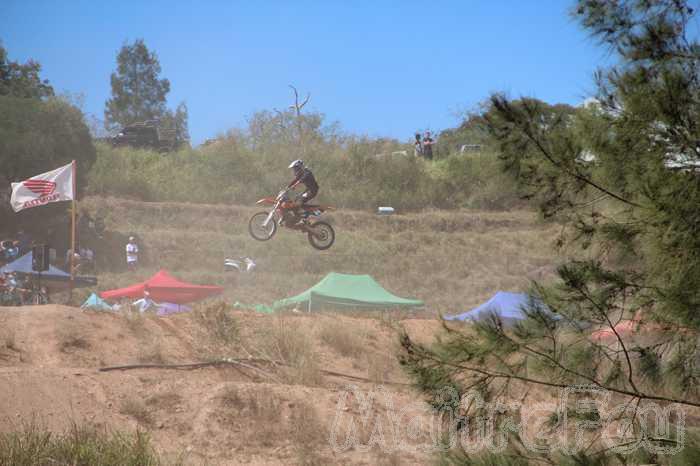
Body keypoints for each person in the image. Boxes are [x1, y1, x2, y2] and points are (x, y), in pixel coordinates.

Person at [285, 159, 319, 225]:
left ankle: (305, 218)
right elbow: (295, 180)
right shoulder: (302, 173)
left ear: (299, 167)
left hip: (312, 191)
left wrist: (294, 186)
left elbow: (301, 180)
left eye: (295, 169)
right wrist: (287, 187)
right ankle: (297, 217)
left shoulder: (307, 172)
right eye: (293, 169)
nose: (294, 171)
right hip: (308, 190)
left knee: (300, 200)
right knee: (296, 200)